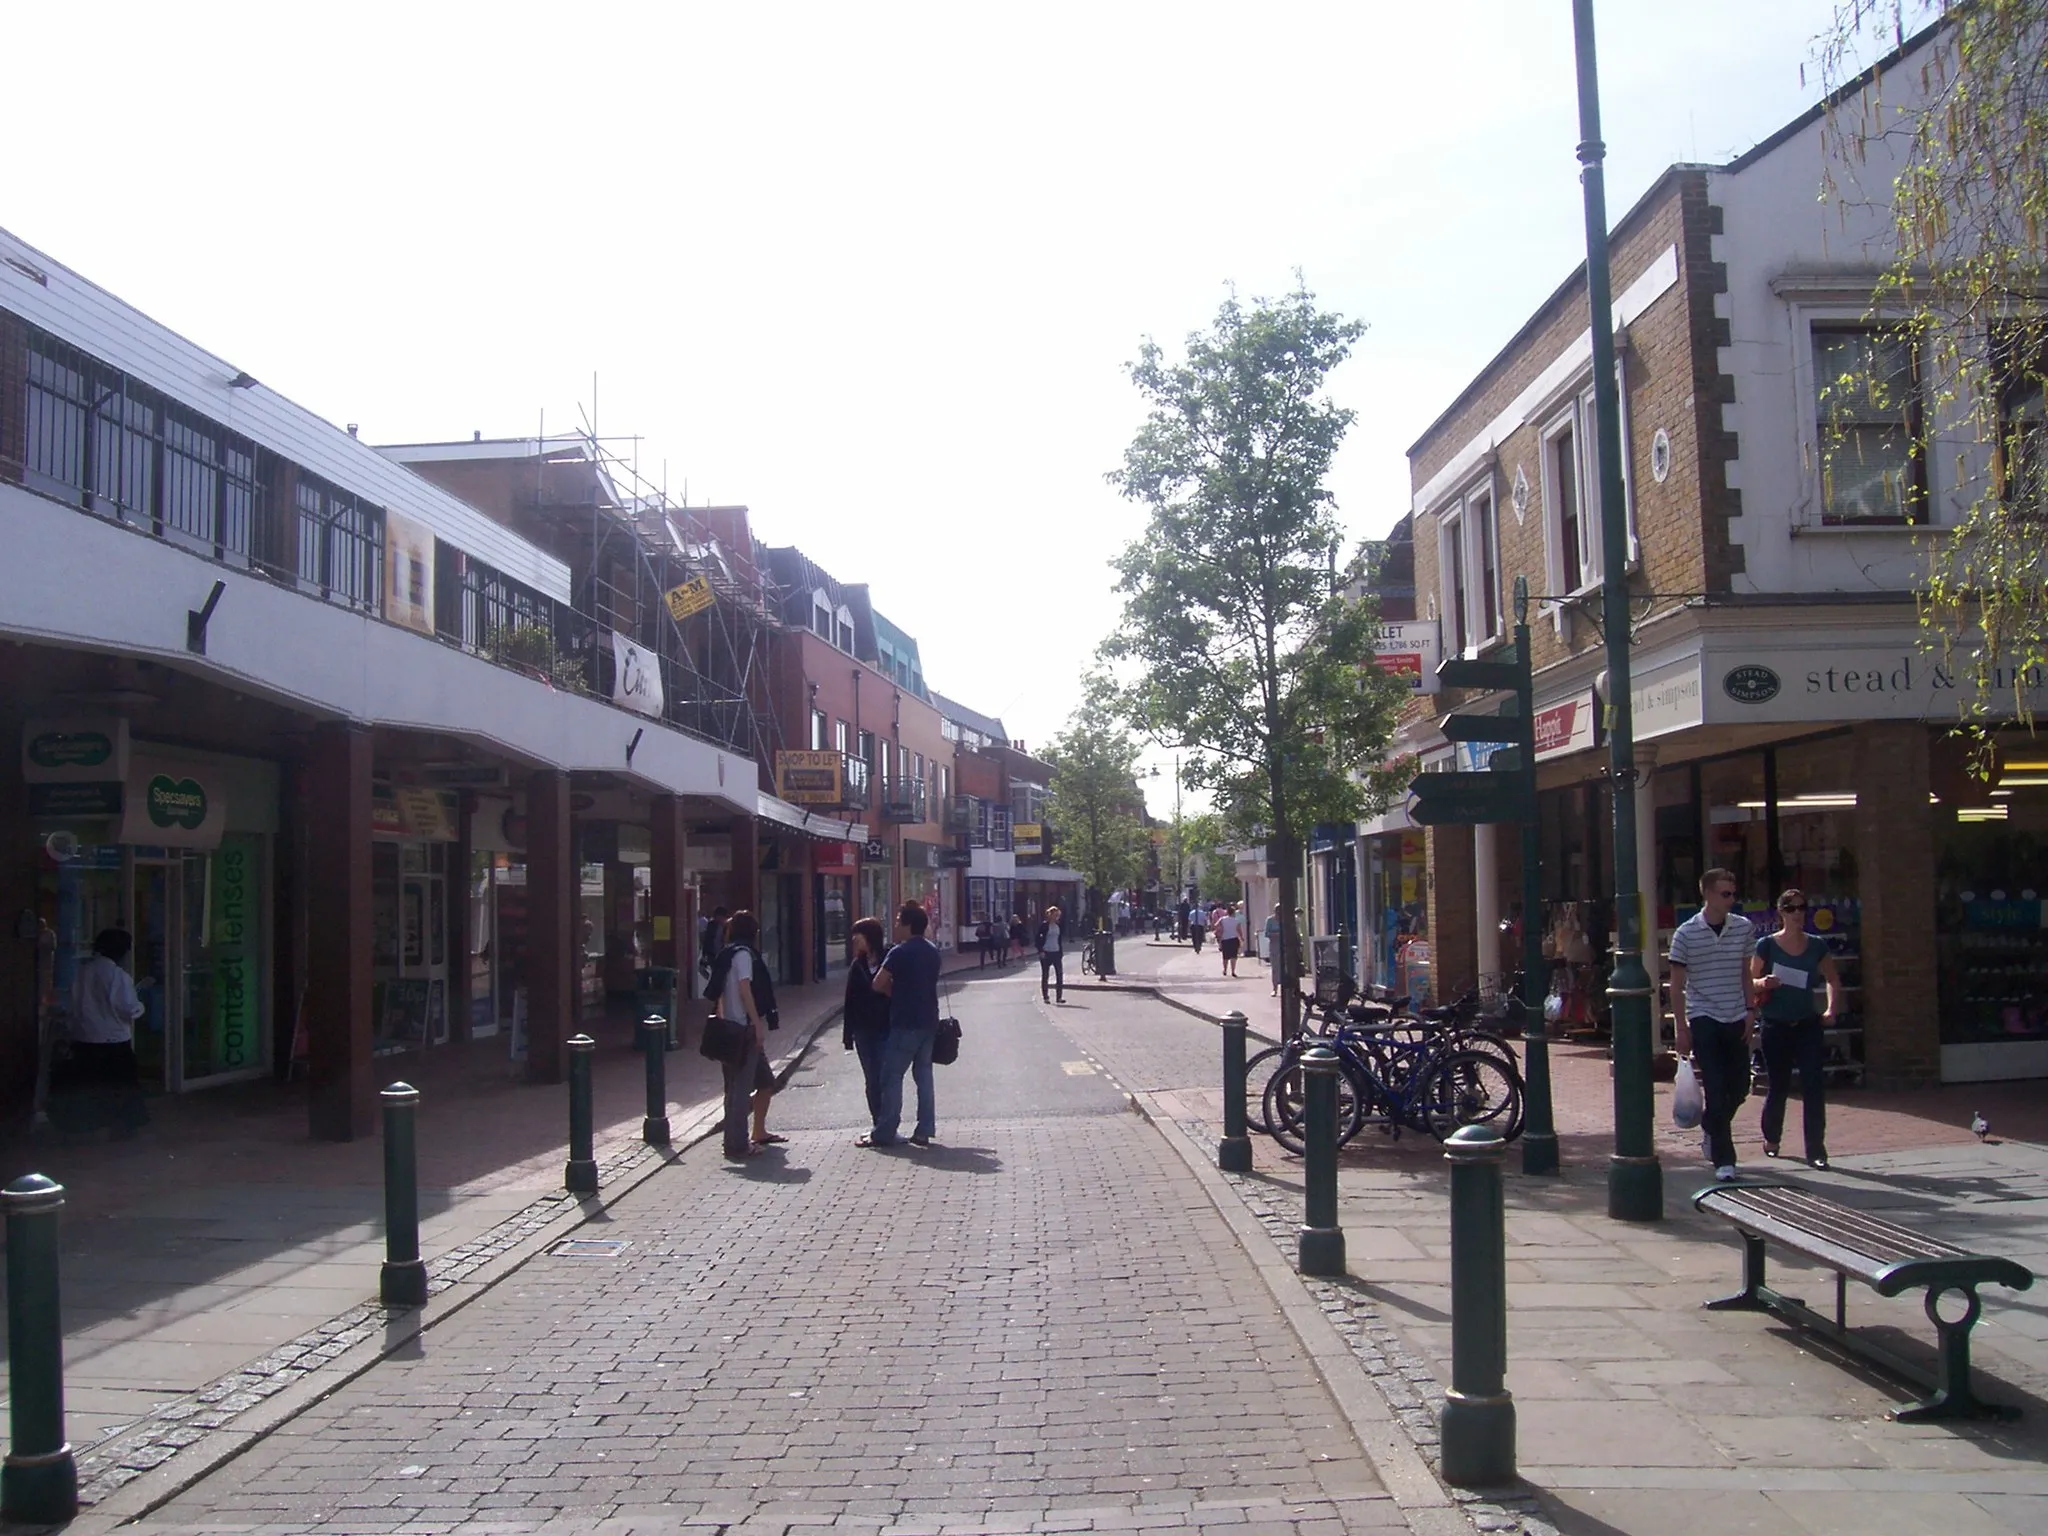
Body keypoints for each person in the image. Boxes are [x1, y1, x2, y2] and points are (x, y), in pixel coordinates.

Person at [1669, 869, 1758, 1181]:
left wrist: (1750, 1010)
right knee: (1717, 1087)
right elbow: (1676, 986)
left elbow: (1745, 973)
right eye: (1725, 894)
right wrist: (1682, 1027)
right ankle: (1725, 1159)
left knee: (1740, 1086)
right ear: (1707, 894)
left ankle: (1710, 1124)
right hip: (1703, 1015)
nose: (1731, 899)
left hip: (1736, 1013)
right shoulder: (1685, 934)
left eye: (1733, 893)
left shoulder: (1743, 929)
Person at [1751, 888, 1842, 1169]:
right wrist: (1763, 983)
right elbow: (1749, 982)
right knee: (1778, 1084)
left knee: (1813, 1085)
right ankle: (1772, 1137)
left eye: (1802, 908)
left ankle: (1816, 1149)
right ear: (1781, 912)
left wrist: (1831, 1009)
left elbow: (1832, 979)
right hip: (1775, 1024)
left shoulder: (1816, 945)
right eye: (1791, 909)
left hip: (1807, 1023)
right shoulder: (1766, 945)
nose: (1798, 914)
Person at [862, 902, 942, 1148]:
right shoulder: (932, 950)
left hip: (904, 1021)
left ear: (908, 925)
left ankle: (885, 1130)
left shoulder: (898, 952)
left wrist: (893, 992)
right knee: (924, 1076)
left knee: (892, 1076)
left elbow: (877, 983)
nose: (895, 926)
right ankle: (925, 1128)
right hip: (929, 1019)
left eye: (898, 922)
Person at [61, 927, 149, 1136]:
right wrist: (140, 1006)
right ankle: (121, 1127)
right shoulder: (118, 976)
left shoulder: (83, 971)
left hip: (84, 1037)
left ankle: (87, 1126)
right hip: (113, 1039)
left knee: (89, 1085)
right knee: (120, 1087)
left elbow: (72, 1005)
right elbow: (128, 1008)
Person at [706, 911, 780, 1158]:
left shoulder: (726, 954)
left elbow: (719, 993)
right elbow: (744, 989)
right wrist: (757, 1023)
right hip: (743, 1028)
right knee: (740, 1088)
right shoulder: (744, 955)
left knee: (761, 1081)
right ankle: (736, 1143)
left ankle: (752, 1133)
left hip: (729, 1026)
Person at [842, 917, 892, 1122]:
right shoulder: (857, 964)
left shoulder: (888, 957)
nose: (854, 939)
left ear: (870, 936)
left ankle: (889, 1124)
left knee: (885, 1078)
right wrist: (848, 1035)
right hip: (863, 1030)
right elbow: (850, 999)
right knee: (871, 1079)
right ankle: (878, 1122)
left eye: (858, 935)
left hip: (885, 1027)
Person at [1035, 904, 1066, 1004]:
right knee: (1045, 975)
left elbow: (1060, 939)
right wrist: (1041, 951)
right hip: (1046, 952)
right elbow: (1038, 939)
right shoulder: (1044, 925)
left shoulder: (1059, 925)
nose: (1055, 917)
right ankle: (1046, 997)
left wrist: (1061, 952)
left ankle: (1059, 997)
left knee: (1059, 975)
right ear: (1049, 915)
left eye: (1057, 915)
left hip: (1056, 952)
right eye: (1053, 915)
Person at [1214, 904, 1243, 977]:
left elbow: (1216, 925)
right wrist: (1242, 938)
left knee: (1225, 956)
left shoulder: (1222, 919)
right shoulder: (1236, 920)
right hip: (1234, 939)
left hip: (1225, 939)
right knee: (1233, 956)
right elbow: (1239, 930)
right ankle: (1233, 971)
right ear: (1233, 913)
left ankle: (1225, 970)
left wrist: (1220, 931)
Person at [1265, 909, 1283, 995]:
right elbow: (1266, 933)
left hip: (1285, 946)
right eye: (1277, 911)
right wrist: (1276, 934)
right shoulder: (1270, 920)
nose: (1279, 913)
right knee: (1275, 968)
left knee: (1285, 968)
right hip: (1274, 946)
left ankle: (1285, 989)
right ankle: (1274, 989)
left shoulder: (1285, 919)